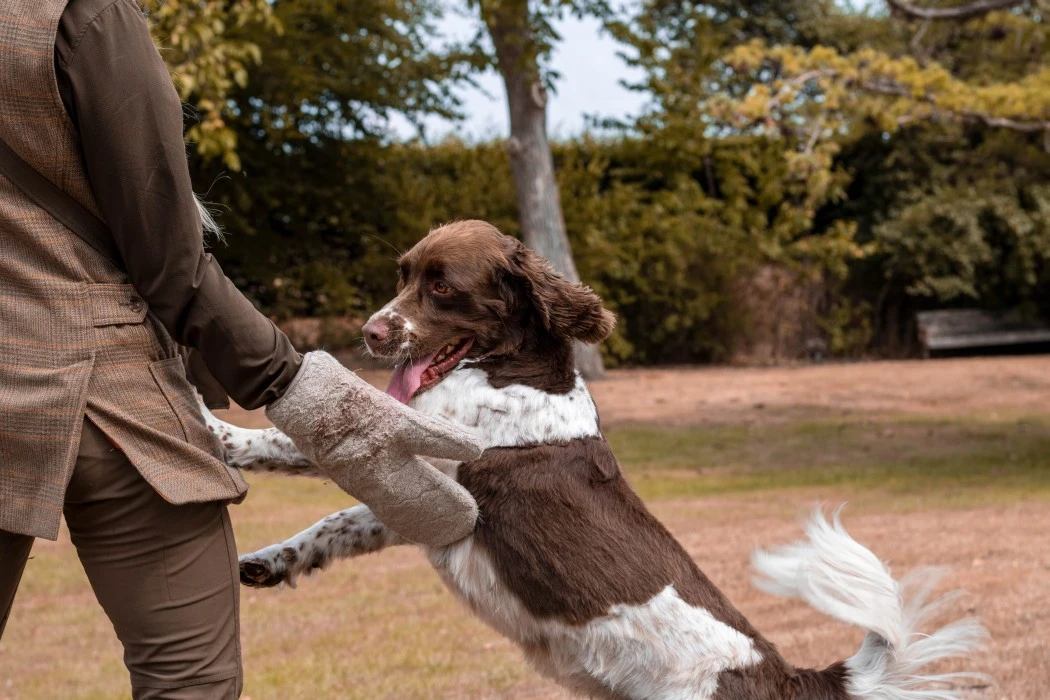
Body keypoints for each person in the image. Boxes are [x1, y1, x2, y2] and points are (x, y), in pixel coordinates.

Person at [0, 1, 482, 697]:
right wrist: (303, 392)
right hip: (111, 406)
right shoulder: (84, 15)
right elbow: (171, 263)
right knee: (189, 681)